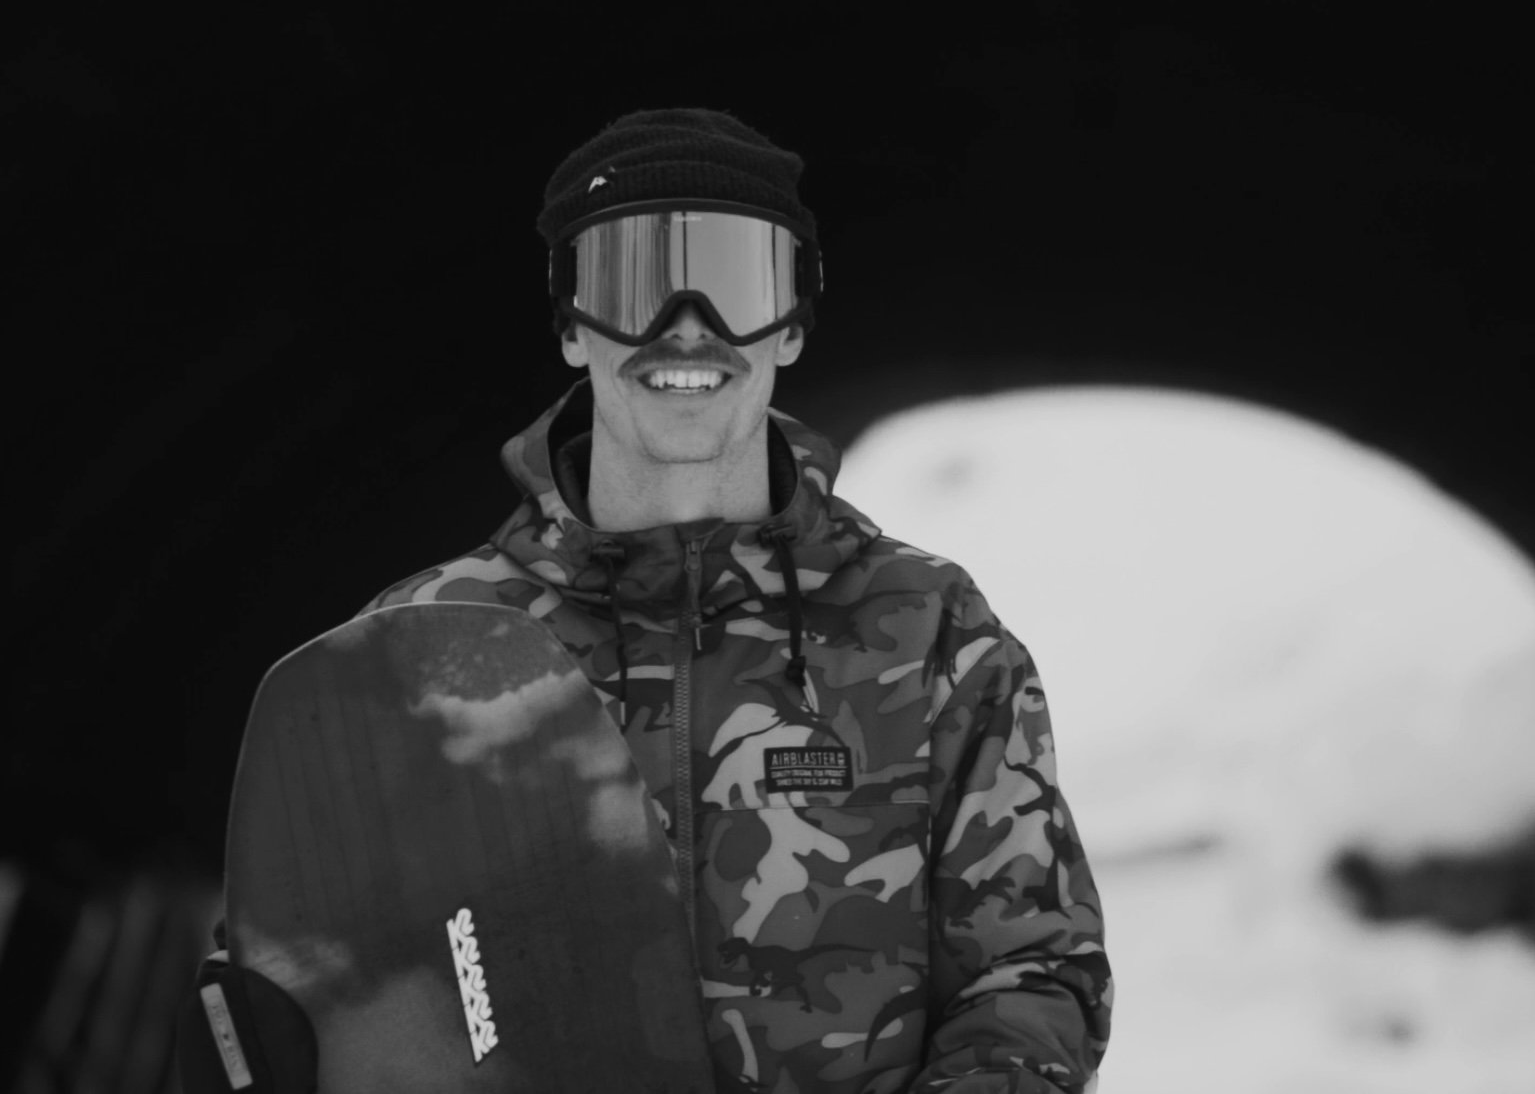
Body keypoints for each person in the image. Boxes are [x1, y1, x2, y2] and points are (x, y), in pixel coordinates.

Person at [181, 107, 1111, 1093]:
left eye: (734, 278)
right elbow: (307, 974)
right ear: (574, 327)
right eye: (634, 281)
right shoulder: (421, 646)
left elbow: (1033, 969)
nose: (686, 329)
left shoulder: (930, 630)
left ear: (791, 324)